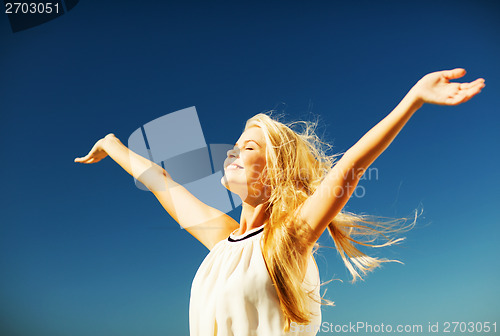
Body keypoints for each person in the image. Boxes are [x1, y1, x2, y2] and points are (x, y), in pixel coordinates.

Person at [74, 68, 484, 336]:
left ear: (274, 173)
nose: (232, 151)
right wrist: (113, 146)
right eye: (234, 145)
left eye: (248, 147)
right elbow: (163, 183)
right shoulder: (223, 240)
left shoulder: (288, 238)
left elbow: (350, 168)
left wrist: (411, 100)